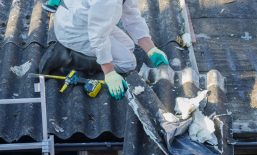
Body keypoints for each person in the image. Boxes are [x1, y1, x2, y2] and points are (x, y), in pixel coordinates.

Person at [40, 0, 169, 100]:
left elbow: (132, 17)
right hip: (74, 31)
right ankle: (67, 57)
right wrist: (109, 72)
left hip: (84, 19)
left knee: (129, 46)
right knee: (127, 63)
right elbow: (98, 36)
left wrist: (151, 49)